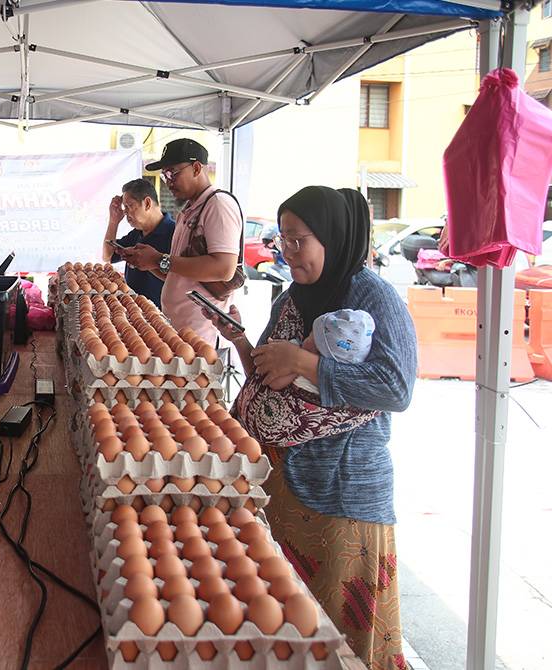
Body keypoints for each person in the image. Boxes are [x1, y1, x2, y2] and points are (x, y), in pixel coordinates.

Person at [208, 186, 417, 669]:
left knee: (339, 637)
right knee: (291, 628)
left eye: (298, 240)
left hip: (338, 496)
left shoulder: (374, 297)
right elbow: (267, 371)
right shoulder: (295, 298)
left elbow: (395, 387)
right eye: (283, 240)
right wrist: (239, 338)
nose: (287, 252)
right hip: (282, 487)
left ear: (332, 237)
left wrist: (304, 361)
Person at [123, 138, 243, 344]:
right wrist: (149, 263)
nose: (168, 180)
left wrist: (159, 259)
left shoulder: (218, 204)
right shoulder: (189, 209)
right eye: (164, 175)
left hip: (200, 334)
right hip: (179, 330)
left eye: (172, 173)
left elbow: (224, 268)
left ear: (196, 168)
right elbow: (179, 273)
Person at [101, 178, 175, 308]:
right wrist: (113, 221)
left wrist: (152, 262)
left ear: (147, 203)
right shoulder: (137, 233)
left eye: (130, 206)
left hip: (161, 317)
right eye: (125, 207)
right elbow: (108, 256)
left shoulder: (174, 234)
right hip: (132, 312)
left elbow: (180, 280)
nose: (126, 212)